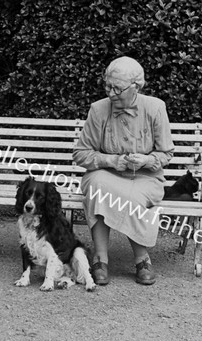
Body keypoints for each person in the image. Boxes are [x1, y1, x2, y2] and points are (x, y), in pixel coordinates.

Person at [73, 56, 174, 285]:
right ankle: (100, 258)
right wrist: (111, 161)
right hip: (107, 174)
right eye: (107, 86)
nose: (110, 93)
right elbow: (80, 154)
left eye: (117, 88)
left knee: (130, 196)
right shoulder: (98, 110)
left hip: (145, 179)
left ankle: (141, 259)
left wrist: (147, 160)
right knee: (97, 184)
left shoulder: (155, 108)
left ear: (135, 87)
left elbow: (166, 154)